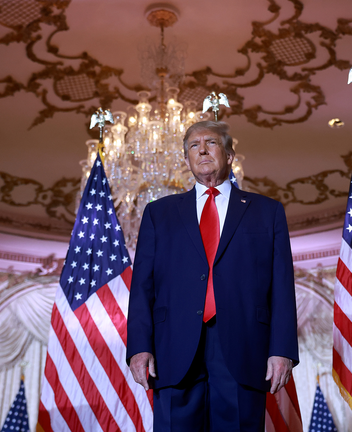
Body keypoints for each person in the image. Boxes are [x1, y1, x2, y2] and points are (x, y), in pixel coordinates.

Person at [126, 120, 299, 431]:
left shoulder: (266, 211)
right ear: (187, 158)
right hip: (173, 349)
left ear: (230, 154)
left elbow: (282, 287)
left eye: (211, 143)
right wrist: (139, 346)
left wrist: (282, 350)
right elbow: (142, 287)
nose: (202, 150)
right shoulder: (159, 213)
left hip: (244, 347)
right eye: (194, 145)